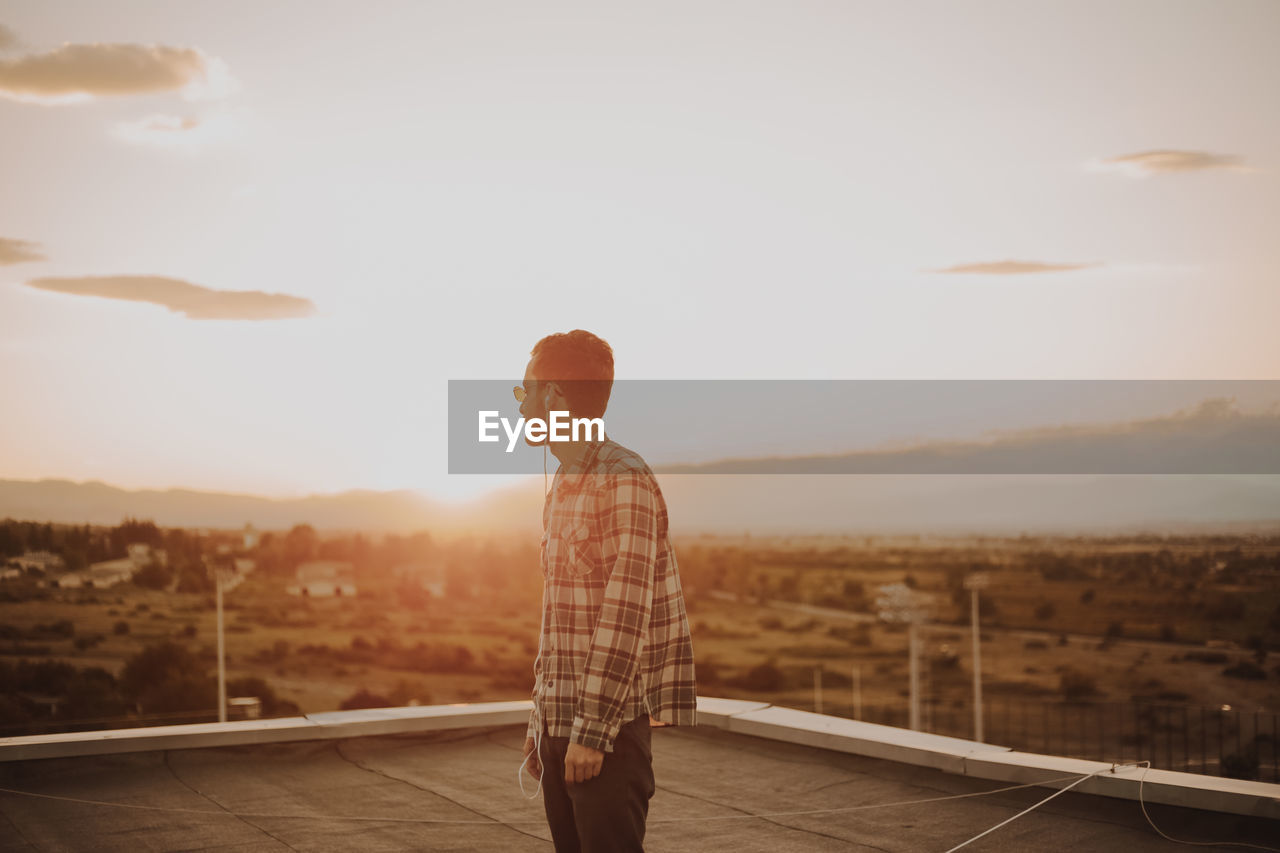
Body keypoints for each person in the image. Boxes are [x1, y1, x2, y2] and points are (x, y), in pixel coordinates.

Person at [516, 330, 696, 853]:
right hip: (558, 728)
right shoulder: (565, 482)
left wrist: (591, 732)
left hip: (605, 739)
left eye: (524, 391)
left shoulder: (624, 479)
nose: (521, 405)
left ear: (553, 396)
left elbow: (624, 615)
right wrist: (540, 721)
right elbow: (561, 621)